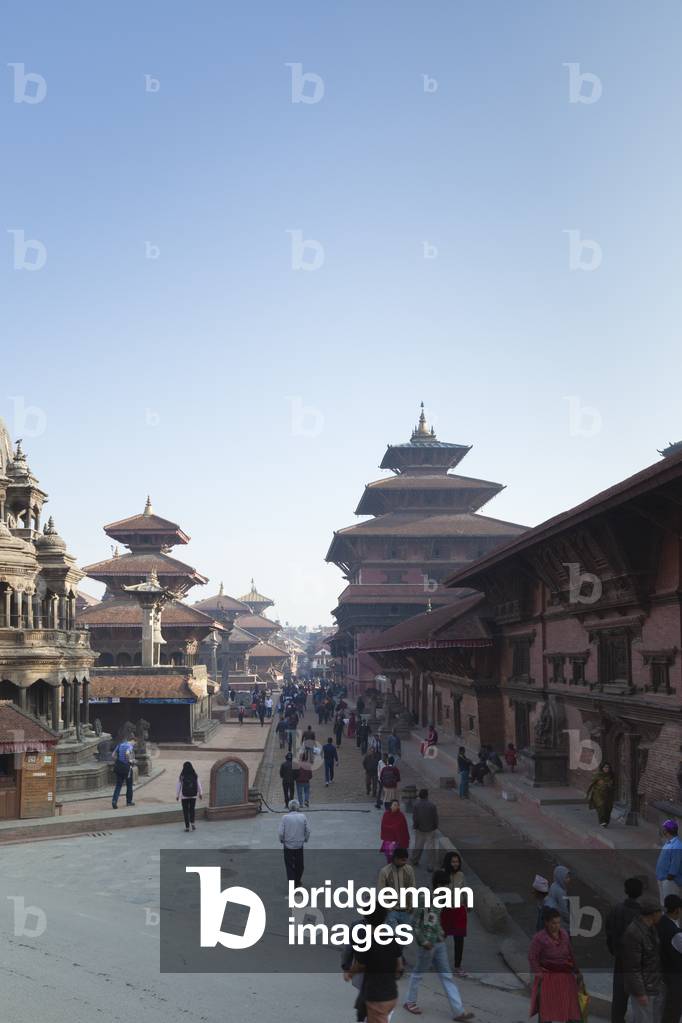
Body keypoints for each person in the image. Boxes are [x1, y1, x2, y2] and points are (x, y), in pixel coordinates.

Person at [403, 869, 474, 1020]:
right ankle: (410, 1001)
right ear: (438, 885)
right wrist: (423, 941)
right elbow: (414, 922)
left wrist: (440, 933)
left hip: (438, 942)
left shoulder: (440, 900)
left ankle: (459, 1011)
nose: (446, 889)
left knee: (447, 976)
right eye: (445, 886)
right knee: (418, 974)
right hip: (427, 944)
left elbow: (435, 920)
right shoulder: (424, 898)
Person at [346, 905, 404, 1023]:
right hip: (392, 995)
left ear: (366, 919)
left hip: (376, 997)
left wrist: (349, 973)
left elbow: (360, 965)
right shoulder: (392, 940)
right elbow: (400, 967)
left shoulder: (367, 944)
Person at [528, 906, 583, 1023]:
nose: (557, 926)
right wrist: (539, 974)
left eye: (558, 923)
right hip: (548, 977)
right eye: (554, 923)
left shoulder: (564, 934)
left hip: (565, 976)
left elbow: (570, 953)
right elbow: (532, 957)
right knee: (546, 1012)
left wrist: (577, 971)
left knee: (571, 1011)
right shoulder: (539, 939)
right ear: (547, 923)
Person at [605, 876, 643, 1023]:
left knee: (619, 998)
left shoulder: (616, 909)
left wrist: (614, 950)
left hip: (620, 959)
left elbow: (609, 932)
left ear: (626, 891)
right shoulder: (642, 914)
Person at [622, 898, 663, 1023]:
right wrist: (640, 993)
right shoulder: (634, 933)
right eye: (659, 912)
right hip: (644, 988)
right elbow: (632, 967)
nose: (661, 915)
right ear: (653, 914)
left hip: (654, 985)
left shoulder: (651, 928)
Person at [441, 851, 469, 975]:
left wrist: (468, 903)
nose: (455, 864)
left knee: (459, 939)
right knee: (439, 937)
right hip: (445, 911)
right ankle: (434, 960)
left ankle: (458, 966)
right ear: (448, 862)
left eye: (457, 862)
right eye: (453, 862)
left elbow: (465, 890)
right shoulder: (441, 874)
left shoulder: (461, 875)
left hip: (459, 911)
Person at [377, 847, 417, 932]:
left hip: (406, 910)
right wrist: (388, 908)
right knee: (394, 934)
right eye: (403, 860)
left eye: (405, 860)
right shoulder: (384, 871)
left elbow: (412, 887)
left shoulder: (409, 870)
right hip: (392, 911)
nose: (405, 862)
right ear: (395, 858)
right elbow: (381, 891)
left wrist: (412, 905)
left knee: (406, 936)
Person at [657, 893, 682, 1023]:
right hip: (674, 975)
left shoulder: (659, 922)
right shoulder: (675, 933)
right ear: (677, 910)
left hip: (661, 970)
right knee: (673, 1008)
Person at [278, 798, 310, 885]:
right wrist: (305, 839)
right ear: (298, 807)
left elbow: (280, 832)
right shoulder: (303, 817)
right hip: (299, 844)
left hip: (288, 845)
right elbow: (307, 830)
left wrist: (282, 840)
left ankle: (292, 883)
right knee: (299, 865)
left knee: (289, 866)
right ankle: (297, 880)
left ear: (289, 807)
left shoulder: (285, 818)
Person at [410, 788, 439, 871]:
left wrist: (415, 826)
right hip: (430, 828)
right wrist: (435, 826)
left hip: (420, 828)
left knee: (418, 845)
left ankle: (415, 860)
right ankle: (431, 864)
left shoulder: (416, 805)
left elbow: (415, 818)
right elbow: (435, 817)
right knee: (430, 847)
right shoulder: (432, 805)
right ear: (427, 795)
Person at [656, 819, 682, 903]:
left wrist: (669, 878)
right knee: (664, 903)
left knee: (670, 905)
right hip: (663, 879)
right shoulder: (669, 843)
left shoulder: (677, 845)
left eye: (664, 829)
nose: (663, 830)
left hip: (670, 881)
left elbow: (675, 863)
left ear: (667, 830)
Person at [586, 761, 615, 828]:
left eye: (608, 767)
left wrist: (611, 786)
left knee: (608, 808)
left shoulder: (611, 775)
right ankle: (602, 822)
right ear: (602, 768)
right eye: (605, 767)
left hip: (608, 794)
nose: (606, 769)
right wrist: (588, 793)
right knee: (601, 806)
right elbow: (591, 784)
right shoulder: (598, 775)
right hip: (598, 794)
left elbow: (614, 785)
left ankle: (606, 821)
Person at [176, 761, 203, 831]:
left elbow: (178, 786)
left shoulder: (182, 776)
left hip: (184, 796)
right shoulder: (194, 775)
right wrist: (200, 793)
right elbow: (198, 785)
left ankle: (187, 827)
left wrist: (177, 795)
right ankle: (193, 823)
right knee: (192, 809)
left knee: (185, 811)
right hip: (193, 796)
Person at [544, 865, 571, 931]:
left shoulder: (554, 885)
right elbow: (563, 909)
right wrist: (569, 920)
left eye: (568, 877)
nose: (569, 879)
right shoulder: (561, 892)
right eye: (566, 878)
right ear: (560, 878)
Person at [111, 736, 135, 809]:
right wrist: (130, 761)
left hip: (119, 767)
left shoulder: (120, 745)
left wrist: (117, 761)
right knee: (129, 785)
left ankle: (114, 801)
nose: (134, 744)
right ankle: (129, 801)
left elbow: (113, 755)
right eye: (134, 743)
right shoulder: (130, 746)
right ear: (133, 740)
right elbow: (127, 753)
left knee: (118, 785)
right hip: (127, 768)